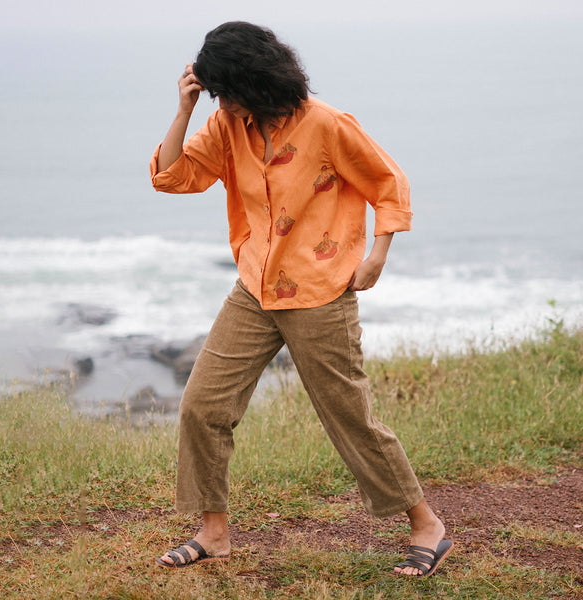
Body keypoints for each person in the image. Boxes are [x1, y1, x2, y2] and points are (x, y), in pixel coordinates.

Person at [150, 21, 453, 577]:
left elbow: (388, 183)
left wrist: (378, 255)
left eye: (227, 91)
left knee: (349, 418)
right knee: (202, 405)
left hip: (319, 293)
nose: (224, 102)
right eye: (216, 94)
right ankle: (212, 533)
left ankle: (426, 525)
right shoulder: (225, 125)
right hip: (254, 288)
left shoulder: (327, 125)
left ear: (255, 81)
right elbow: (171, 177)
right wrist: (185, 109)